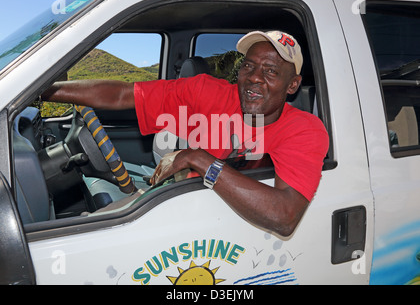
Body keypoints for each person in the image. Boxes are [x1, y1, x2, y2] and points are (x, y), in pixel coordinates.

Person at [42, 30, 329, 237]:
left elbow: (284, 216)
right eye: (249, 66)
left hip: (211, 225)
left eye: (270, 71)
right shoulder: (206, 91)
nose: (254, 77)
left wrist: (198, 159)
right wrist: (44, 90)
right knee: (82, 230)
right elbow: (122, 95)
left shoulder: (304, 130)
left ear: (293, 85)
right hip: (177, 199)